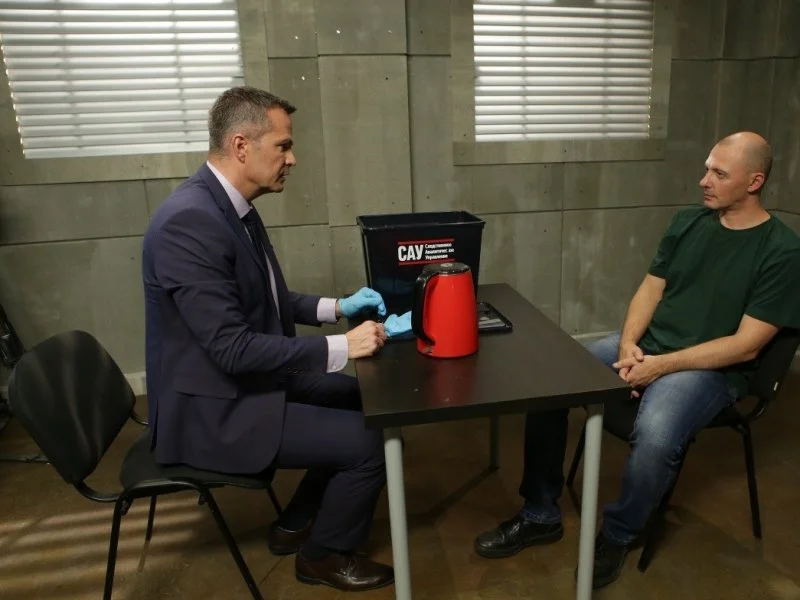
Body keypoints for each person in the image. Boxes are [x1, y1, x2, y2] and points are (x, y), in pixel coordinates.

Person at [473, 131, 800, 588]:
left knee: (656, 435)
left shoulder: (782, 251)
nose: (704, 180)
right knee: (552, 387)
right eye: (706, 168)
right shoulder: (689, 221)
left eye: (719, 174)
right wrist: (629, 344)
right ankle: (540, 513)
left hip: (712, 369)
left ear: (754, 181)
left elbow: (746, 345)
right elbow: (651, 288)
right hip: (649, 346)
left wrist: (660, 367)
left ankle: (619, 533)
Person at [142, 86, 395, 592]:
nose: (292, 159)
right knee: (371, 442)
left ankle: (297, 522)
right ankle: (323, 557)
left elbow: (267, 297)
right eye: (283, 146)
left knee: (365, 401)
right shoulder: (189, 223)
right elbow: (232, 348)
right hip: (213, 410)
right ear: (241, 146)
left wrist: (338, 307)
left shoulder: (229, 205)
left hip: (244, 383)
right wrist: (343, 346)